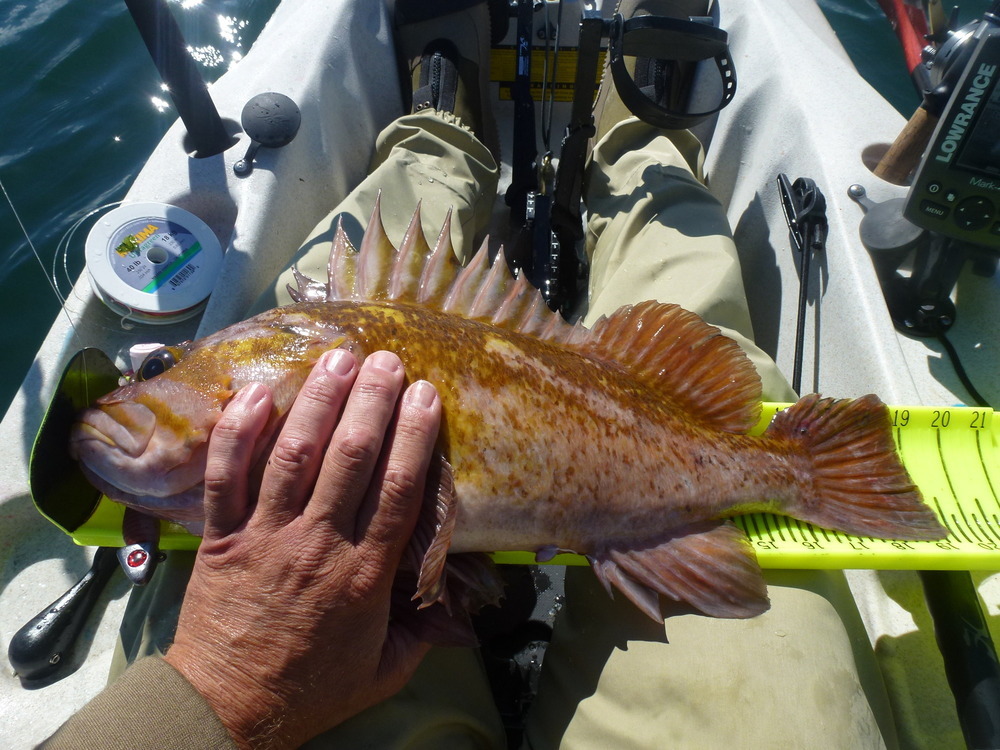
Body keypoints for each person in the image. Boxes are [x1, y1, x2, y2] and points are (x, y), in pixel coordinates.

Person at [42, 1, 901, 748]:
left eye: (168, 367)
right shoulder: (259, 391)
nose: (131, 400)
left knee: (333, 274)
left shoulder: (287, 351)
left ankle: (441, 128)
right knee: (784, 694)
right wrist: (228, 690)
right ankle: (643, 139)